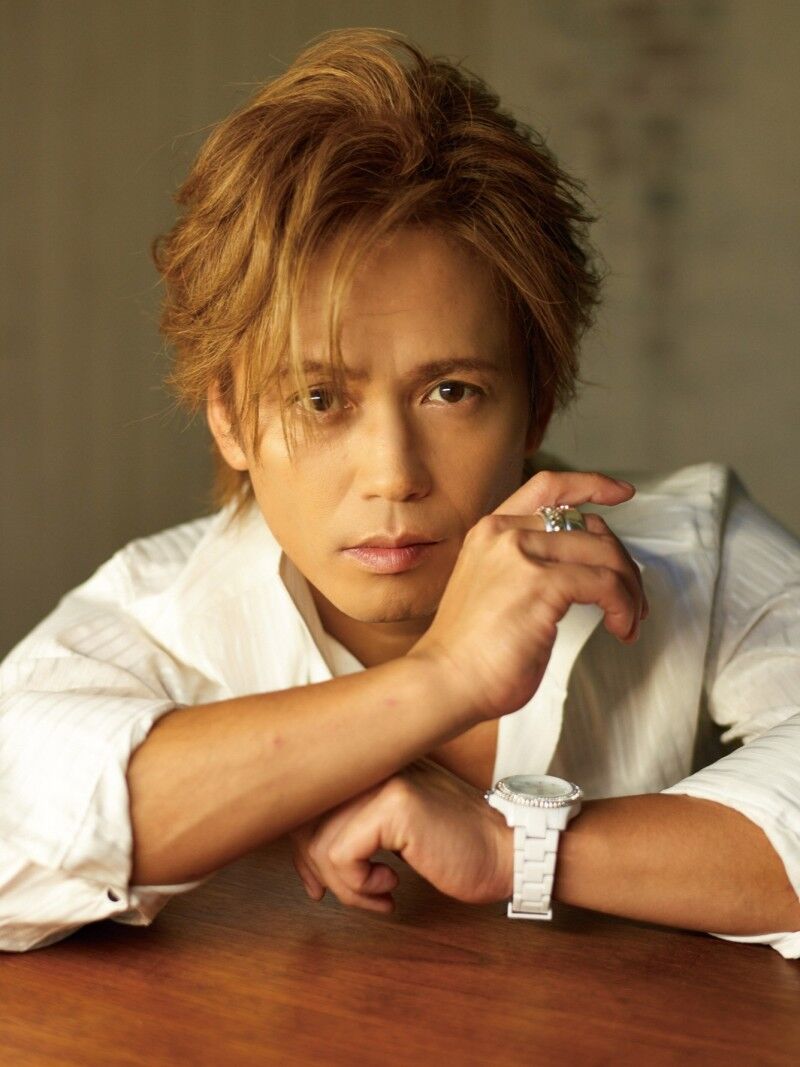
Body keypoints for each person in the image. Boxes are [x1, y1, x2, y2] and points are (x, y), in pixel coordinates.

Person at [1, 28, 799, 957]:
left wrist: (511, 846)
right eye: (318, 398)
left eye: (450, 391)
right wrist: (438, 682)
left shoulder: (694, 550)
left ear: (537, 398)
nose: (393, 474)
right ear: (228, 419)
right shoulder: (162, 609)